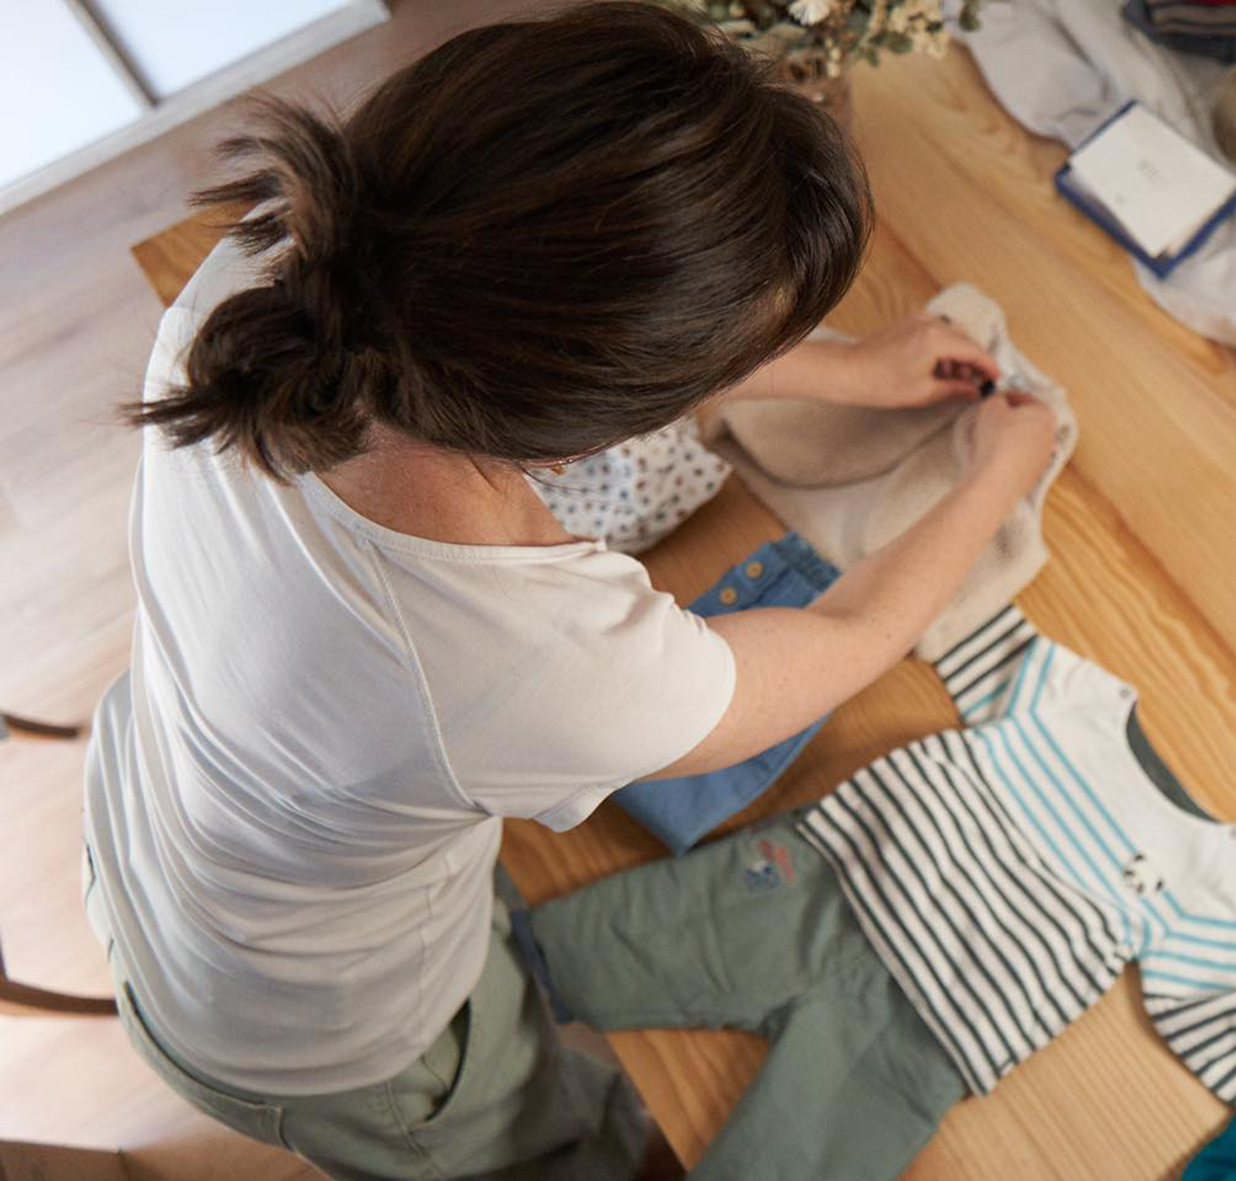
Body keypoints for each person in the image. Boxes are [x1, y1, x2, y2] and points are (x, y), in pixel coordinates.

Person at [80, 4, 1058, 1179]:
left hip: (158, 817)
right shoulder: (526, 656)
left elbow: (518, 315)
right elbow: (857, 628)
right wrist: (996, 474)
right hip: (311, 1030)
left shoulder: (281, 270)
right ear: (580, 428)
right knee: (561, 1139)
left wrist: (845, 365)